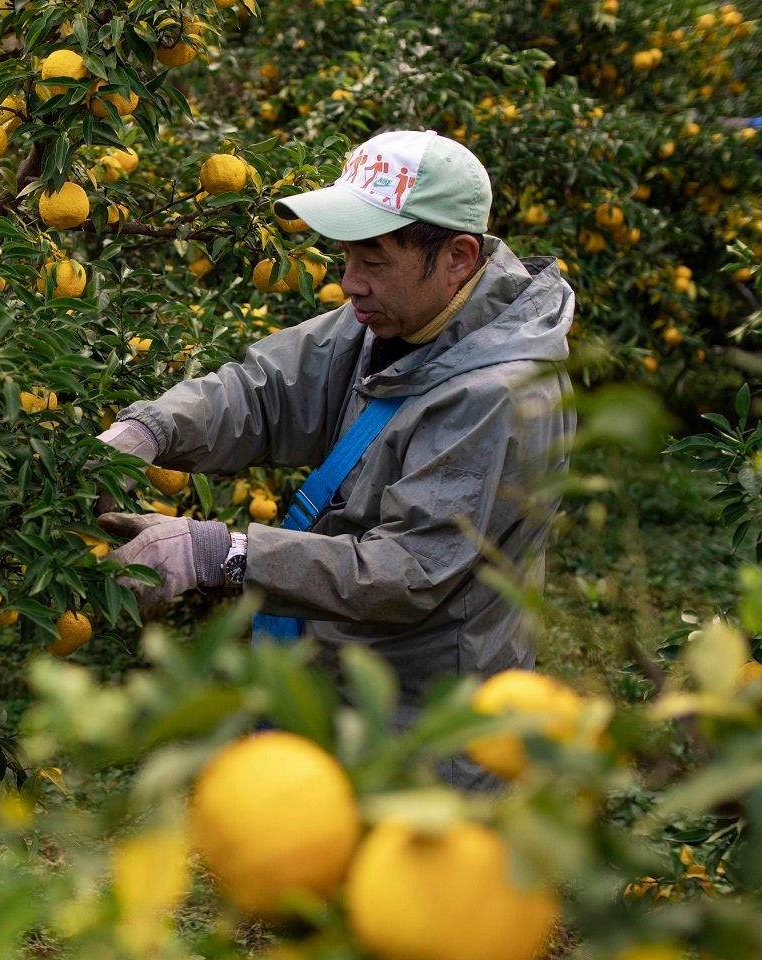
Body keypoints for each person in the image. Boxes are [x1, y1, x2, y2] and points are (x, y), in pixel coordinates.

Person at [93, 129, 575, 789]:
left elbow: (408, 572)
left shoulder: (498, 396)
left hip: (426, 727)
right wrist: (148, 431)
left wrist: (223, 553)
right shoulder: (398, 317)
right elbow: (264, 392)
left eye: (373, 260)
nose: (350, 283)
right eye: (347, 256)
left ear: (459, 257)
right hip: (340, 682)